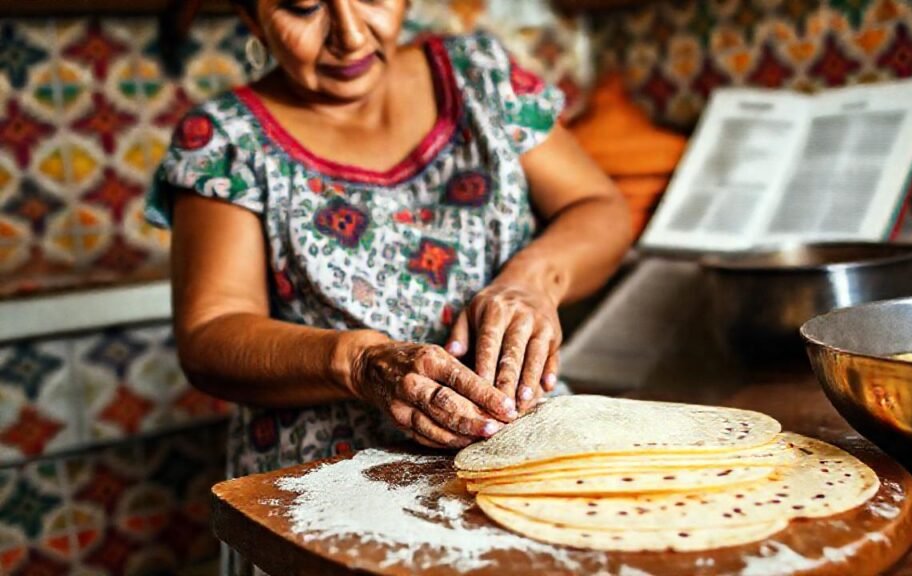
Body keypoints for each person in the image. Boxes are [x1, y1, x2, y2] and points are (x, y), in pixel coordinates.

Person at [146, 0, 630, 484]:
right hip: (327, 481)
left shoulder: (481, 78)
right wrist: (359, 364)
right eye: (304, 8)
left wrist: (532, 281)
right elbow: (210, 336)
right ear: (253, 18)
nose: (351, 36)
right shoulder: (225, 141)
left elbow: (598, 208)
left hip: (524, 452)